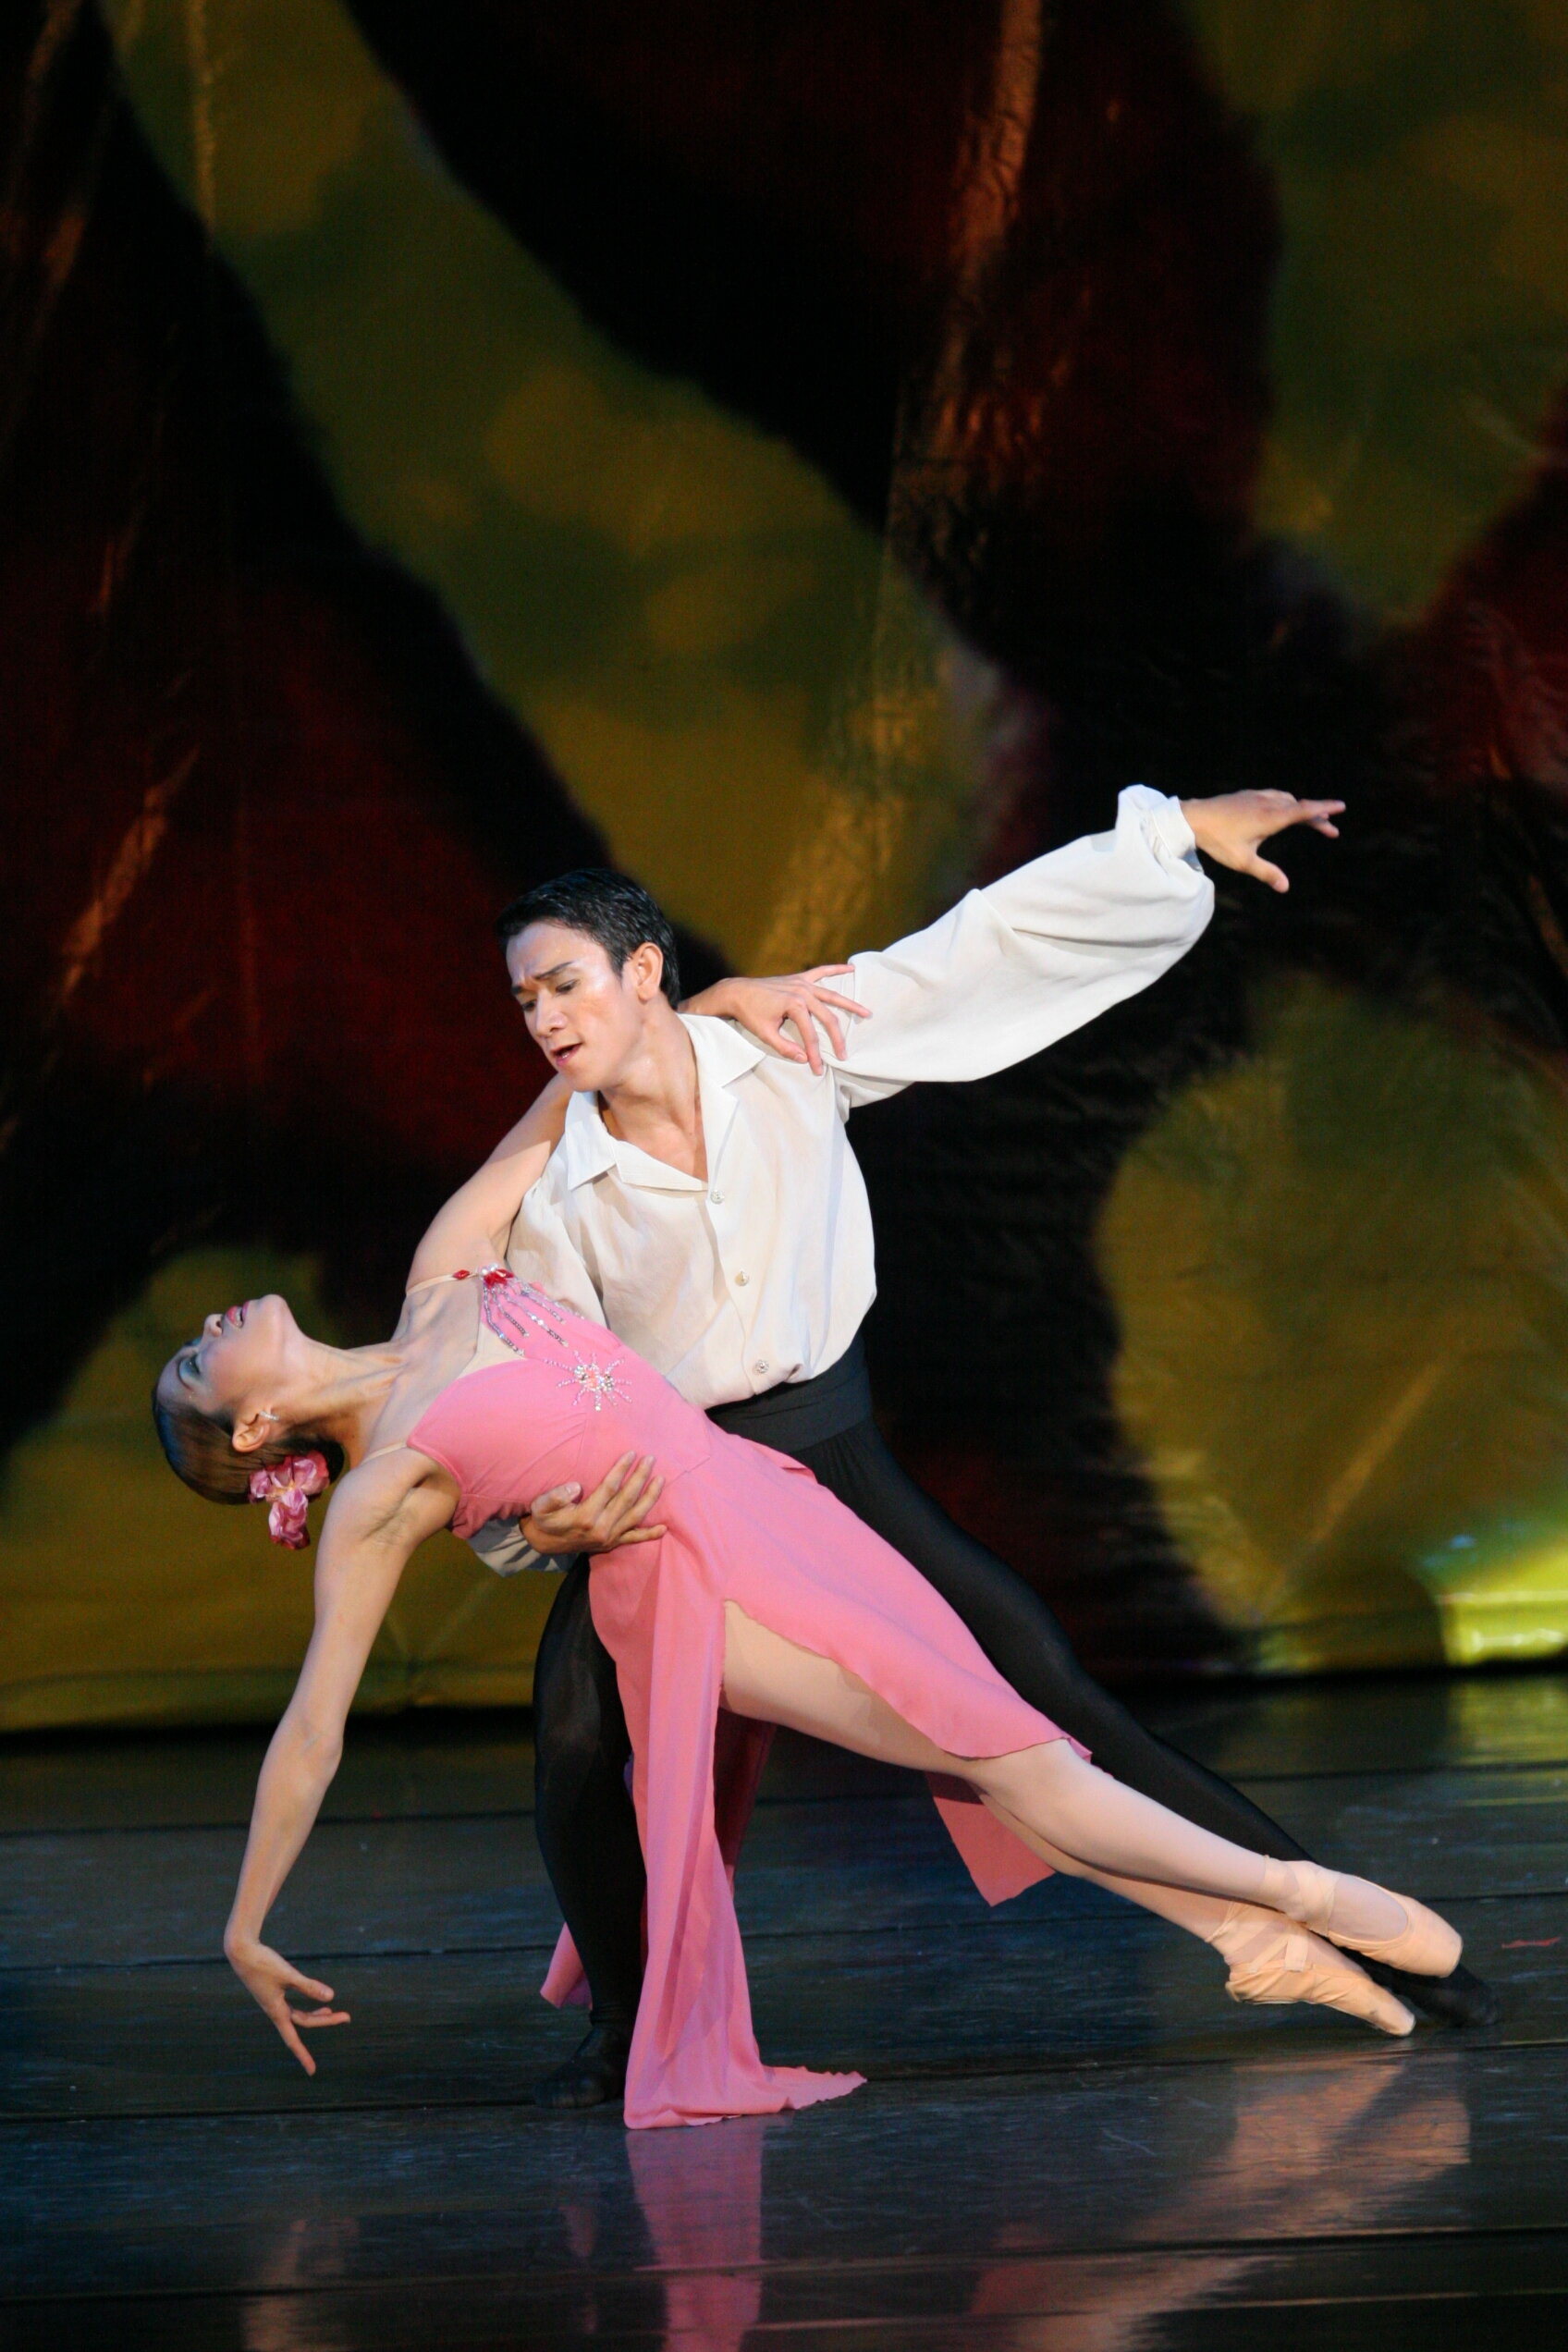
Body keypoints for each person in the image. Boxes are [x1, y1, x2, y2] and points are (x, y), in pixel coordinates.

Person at [472, 783, 1494, 2106]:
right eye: (527, 1004)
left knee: (1046, 1697)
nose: (547, 1020)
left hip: (829, 1459)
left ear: (647, 971)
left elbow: (971, 953)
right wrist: (530, 1528)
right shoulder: (555, 1197)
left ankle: (1330, 1927)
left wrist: (1171, 836)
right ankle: (628, 2028)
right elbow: (509, 1383)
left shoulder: (788, 1047)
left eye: (565, 986)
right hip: (678, 1497)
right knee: (570, 1742)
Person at [152, 1108, 1462, 2129]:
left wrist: (747, 995)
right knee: (1008, 1754)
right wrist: (243, 1920)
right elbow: (316, 1724)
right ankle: (1307, 1896)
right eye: (202, 1361)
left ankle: (1248, 1943)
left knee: (993, 1743)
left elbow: (560, 1102)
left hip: (772, 1504)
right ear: (257, 1429)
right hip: (694, 1587)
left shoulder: (445, 1279)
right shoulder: (381, 1488)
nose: (211, 1324)